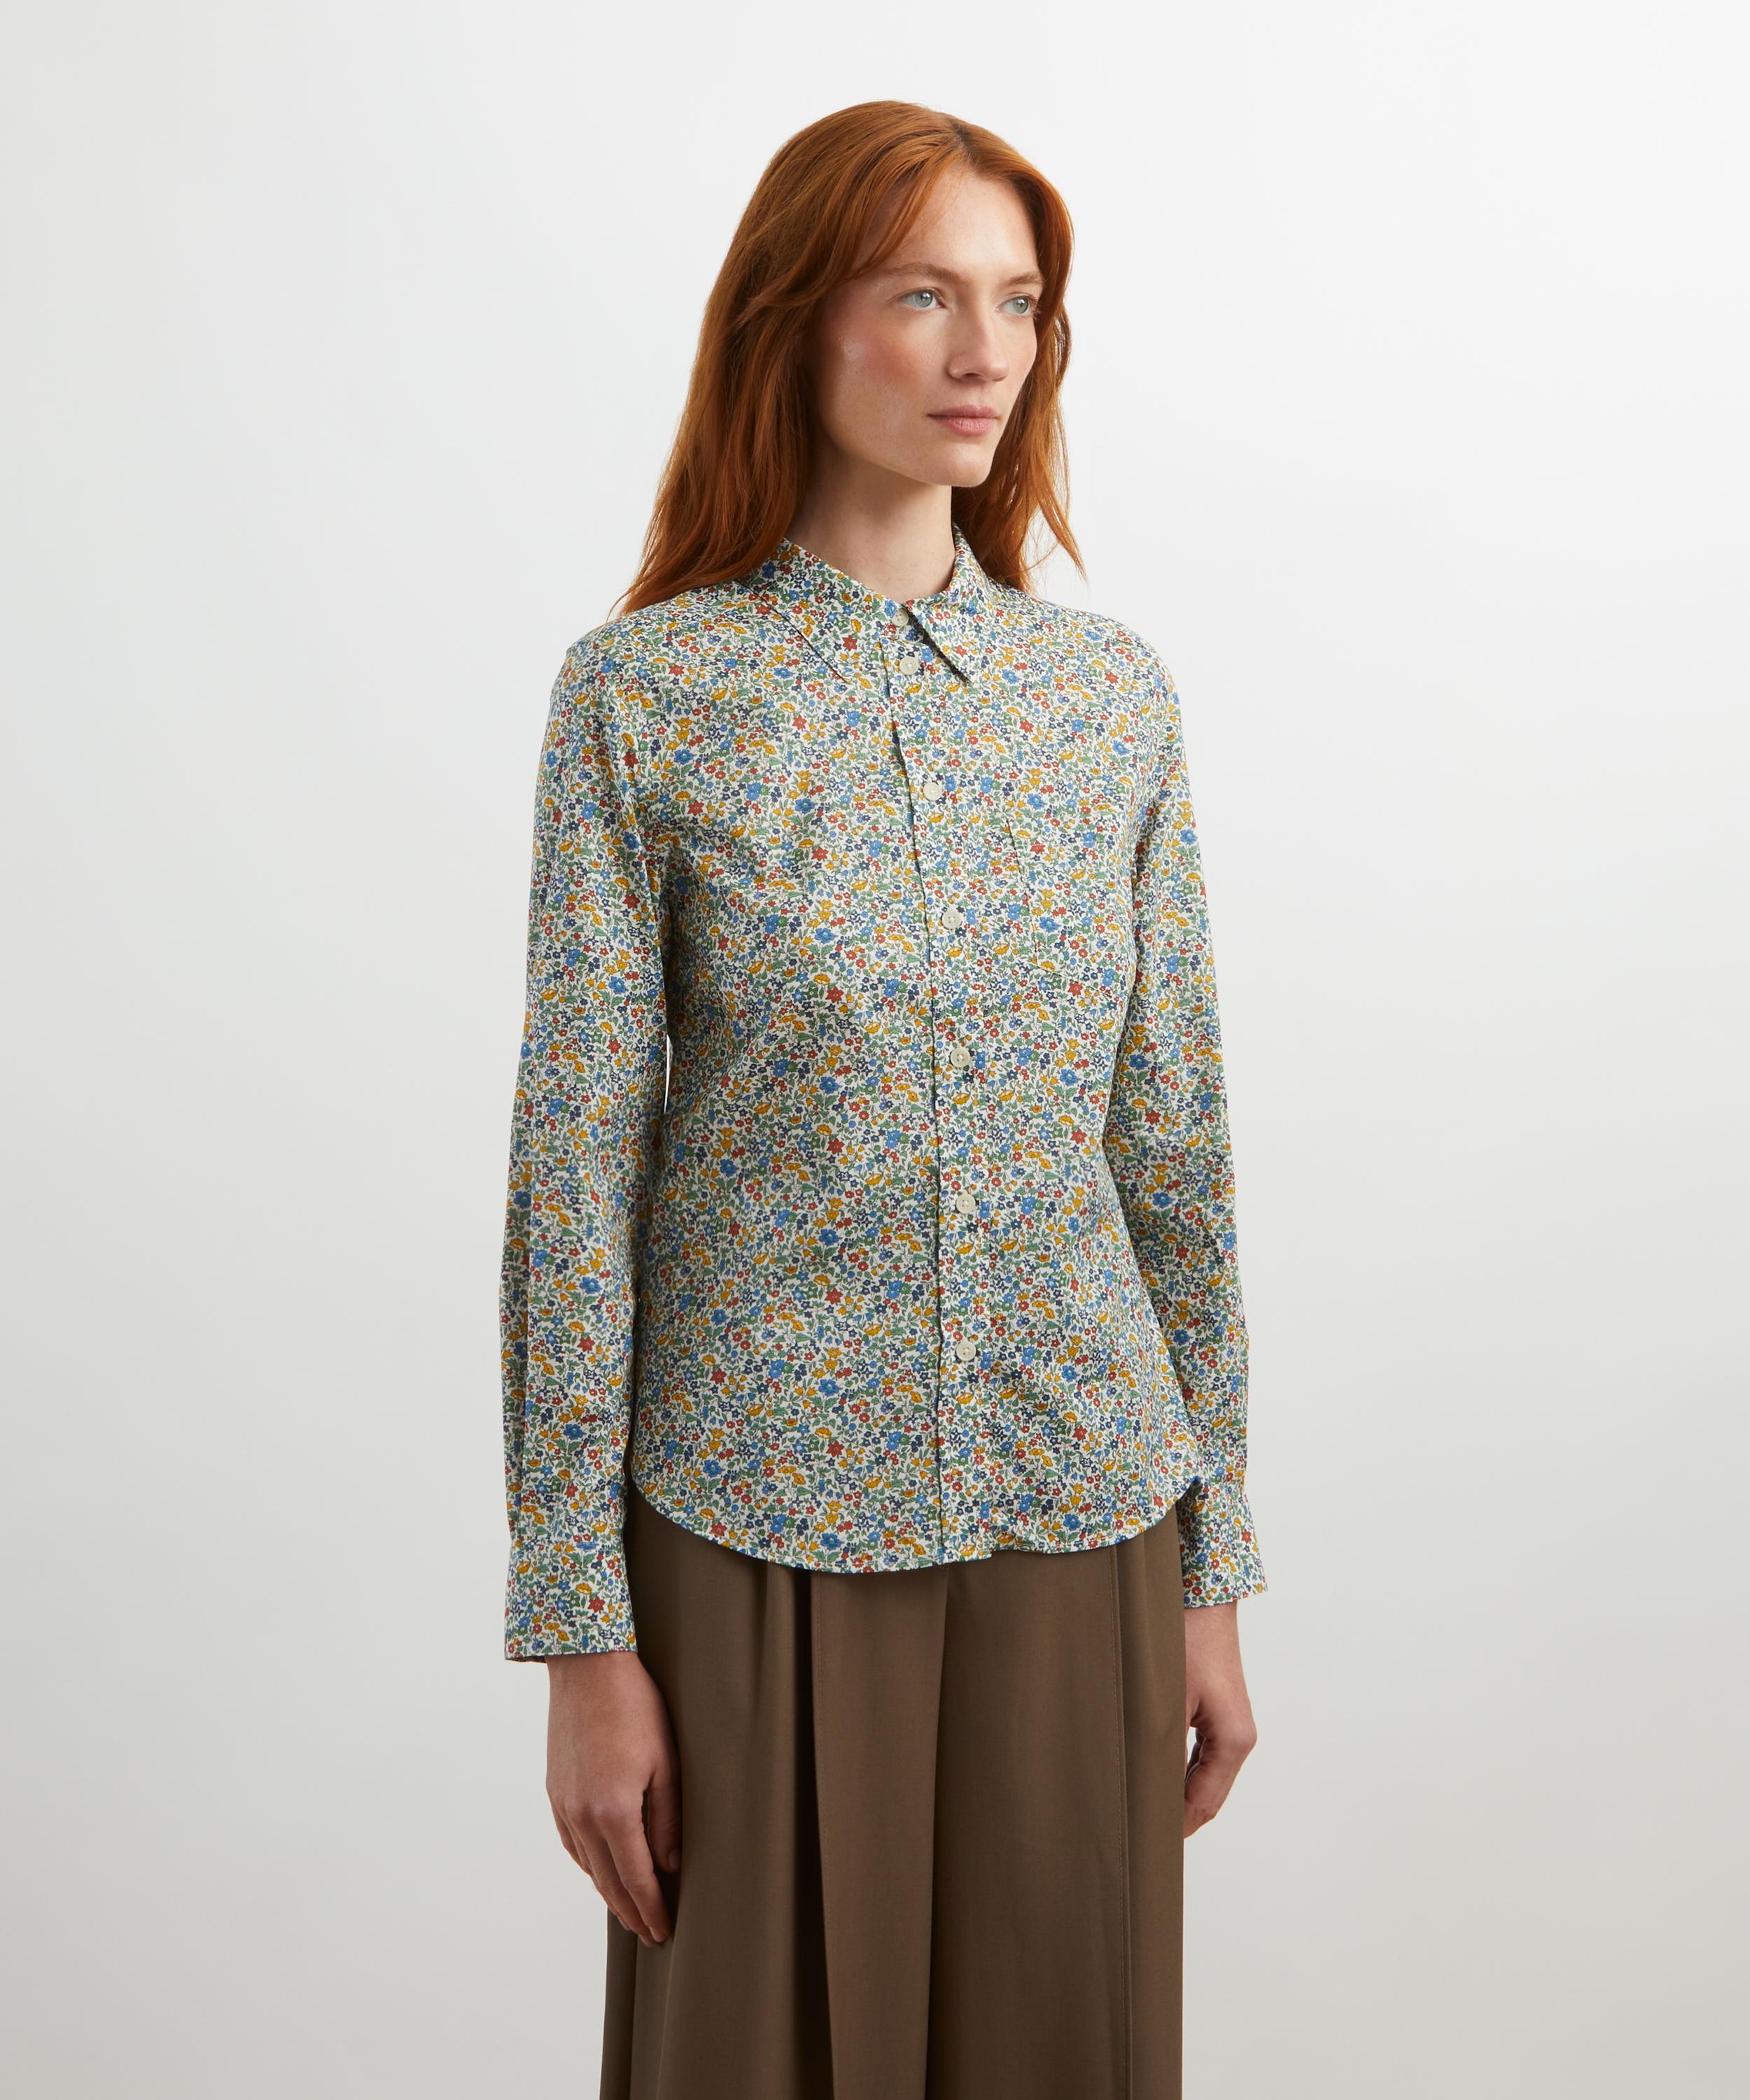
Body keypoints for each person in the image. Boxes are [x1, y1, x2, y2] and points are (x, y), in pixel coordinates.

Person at [498, 98, 1264, 2100]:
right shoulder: (645, 698)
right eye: (924, 294)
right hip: (745, 1535)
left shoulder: (1109, 704)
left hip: (1084, 1511)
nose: (984, 351)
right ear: (792, 319)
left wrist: (1214, 1572)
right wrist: (581, 1634)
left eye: (1017, 303)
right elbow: (574, 1178)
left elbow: (1173, 1154)